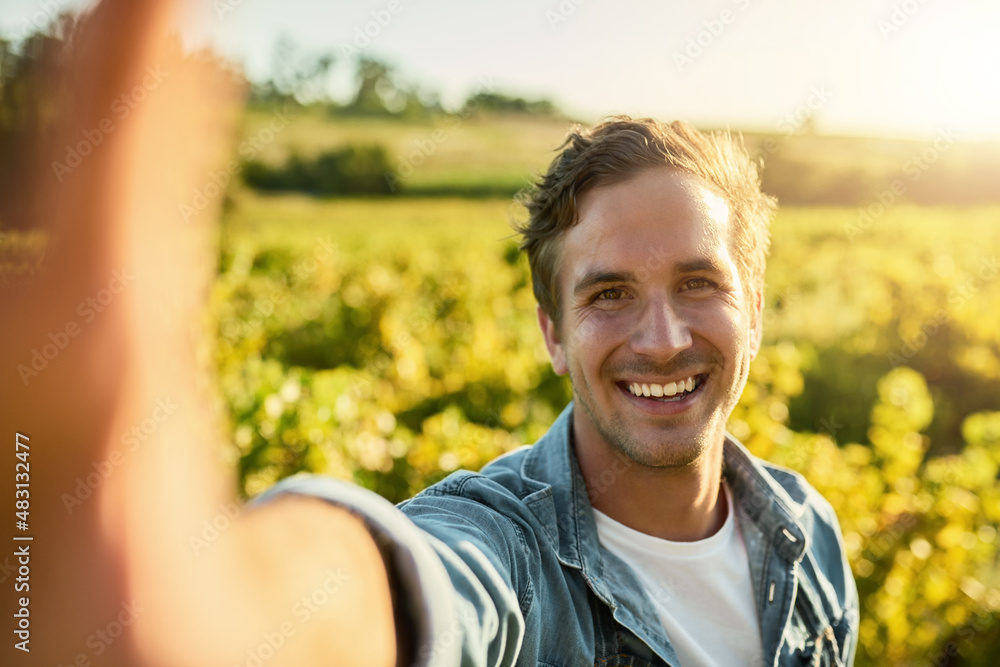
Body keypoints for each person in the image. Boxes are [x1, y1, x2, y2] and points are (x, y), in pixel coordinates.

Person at [0, 1, 856, 665]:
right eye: (609, 294)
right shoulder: (506, 553)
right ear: (552, 335)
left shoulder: (806, 535)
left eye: (700, 282)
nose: (663, 338)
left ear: (757, 305)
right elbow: (406, 587)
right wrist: (228, 614)